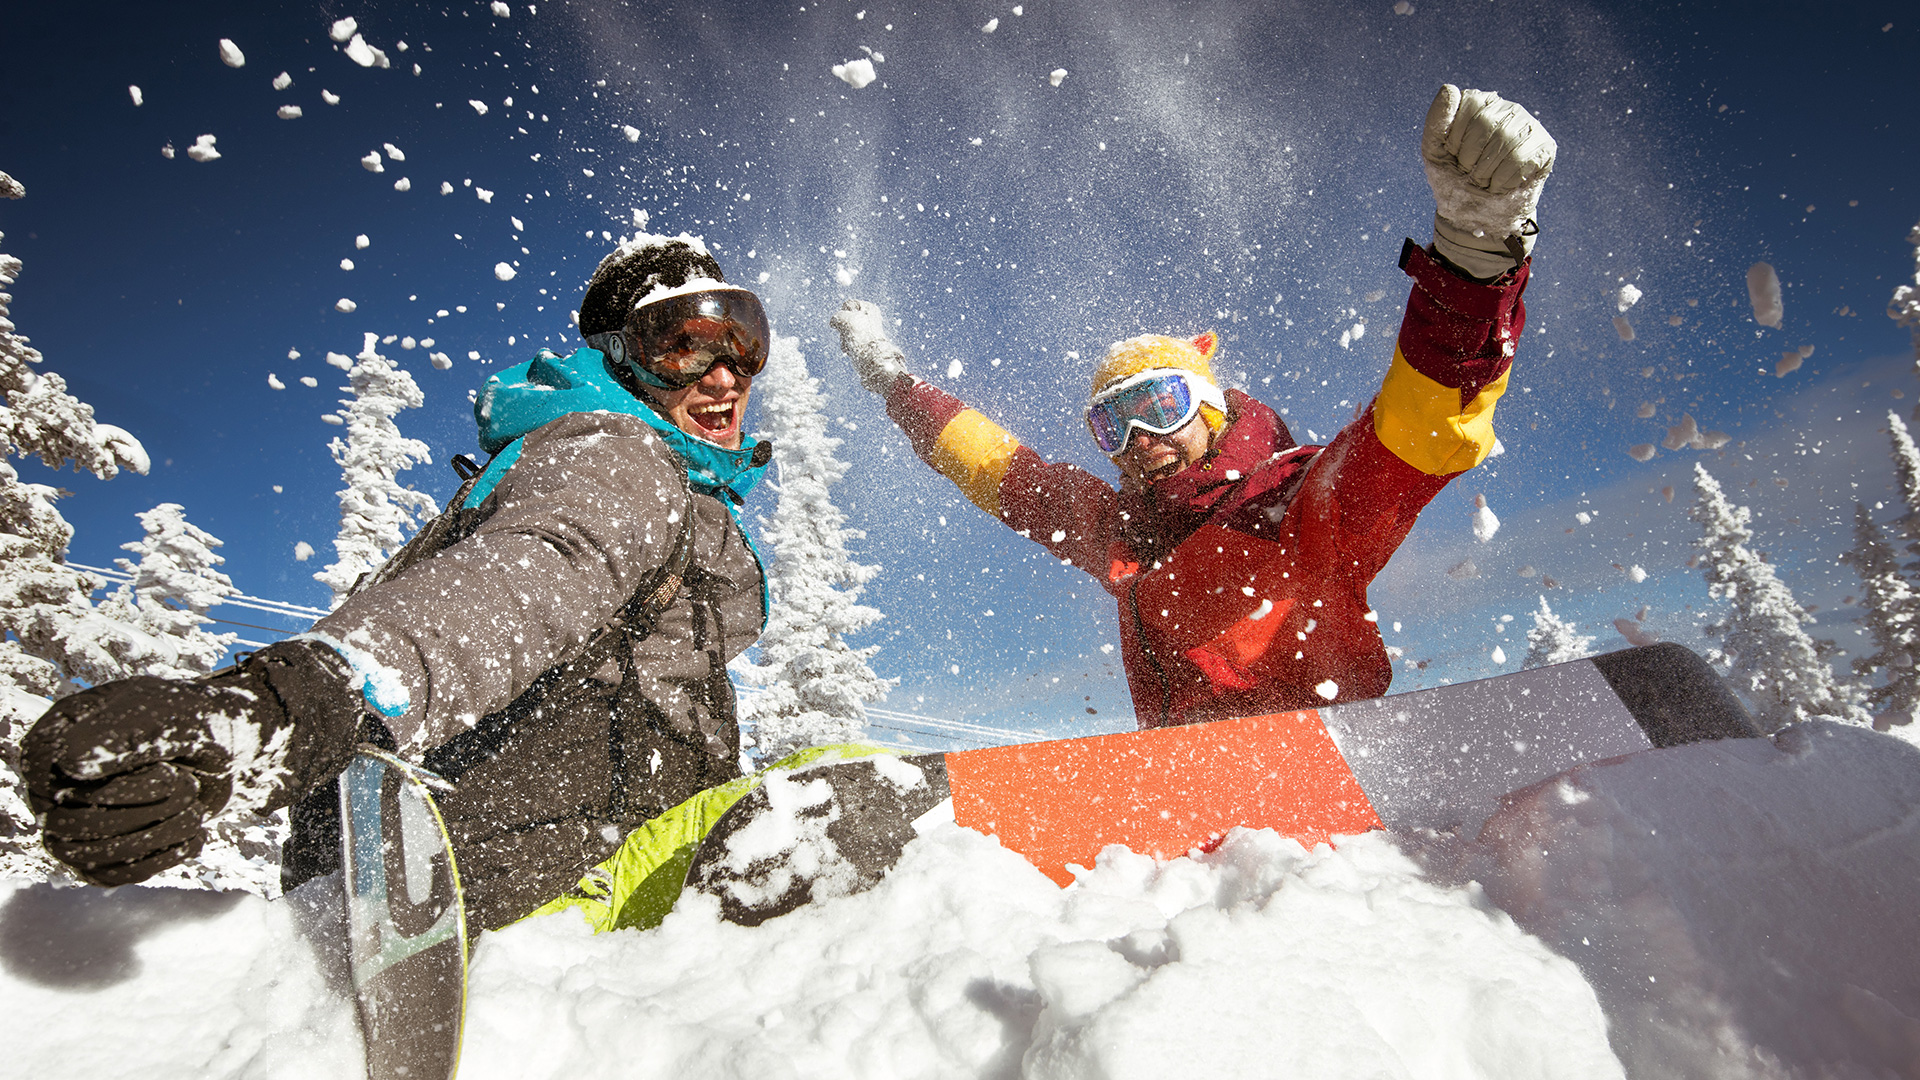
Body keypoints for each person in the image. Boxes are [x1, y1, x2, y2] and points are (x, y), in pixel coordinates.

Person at [23, 234, 776, 930]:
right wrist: (304, 700)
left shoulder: (642, 490)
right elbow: (528, 578)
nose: (723, 378)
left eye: (744, 349)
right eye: (683, 347)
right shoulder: (618, 453)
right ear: (623, 361)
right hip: (539, 877)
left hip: (511, 868)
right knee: (856, 802)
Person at [831, 84, 1556, 729]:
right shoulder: (1121, 532)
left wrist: (1474, 261)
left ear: (1209, 407)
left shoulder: (1297, 502)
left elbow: (1414, 435)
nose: (1139, 437)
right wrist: (896, 385)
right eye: (1113, 423)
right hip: (1199, 814)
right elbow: (1001, 470)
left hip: (1326, 790)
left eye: (1159, 405)